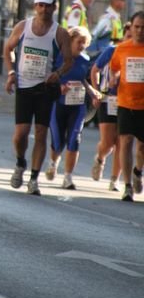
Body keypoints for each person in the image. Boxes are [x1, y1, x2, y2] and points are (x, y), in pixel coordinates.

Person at [4, 0, 73, 196]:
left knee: (41, 133)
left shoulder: (59, 33)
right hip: (24, 86)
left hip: (45, 88)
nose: (44, 9)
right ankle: (20, 162)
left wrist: (58, 73)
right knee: (20, 134)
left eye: (48, 6)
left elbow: (69, 60)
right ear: (35, 7)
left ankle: (34, 179)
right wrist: (10, 73)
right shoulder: (23, 27)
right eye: (40, 5)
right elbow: (7, 49)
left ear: (54, 8)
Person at [45, 26, 101, 190]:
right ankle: (53, 162)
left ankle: (68, 177)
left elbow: (82, 79)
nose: (82, 45)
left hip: (77, 106)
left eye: (85, 42)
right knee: (57, 140)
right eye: (79, 42)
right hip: (59, 105)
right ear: (70, 41)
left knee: (74, 139)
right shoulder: (59, 58)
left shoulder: (84, 60)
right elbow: (49, 77)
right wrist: (59, 86)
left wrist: (93, 93)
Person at [90, 21, 132, 191]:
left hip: (127, 101)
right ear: (124, 36)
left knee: (122, 143)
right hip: (109, 99)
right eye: (128, 36)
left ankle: (114, 180)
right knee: (108, 142)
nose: (132, 39)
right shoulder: (112, 50)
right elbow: (95, 70)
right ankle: (100, 157)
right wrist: (97, 91)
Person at [109, 10, 144, 202]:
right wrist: (114, 78)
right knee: (126, 141)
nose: (139, 31)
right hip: (125, 103)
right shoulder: (122, 48)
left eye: (143, 28)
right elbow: (114, 68)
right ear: (131, 27)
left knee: (141, 149)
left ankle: (138, 171)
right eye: (136, 27)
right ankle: (128, 185)